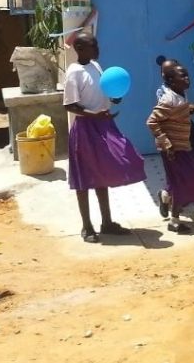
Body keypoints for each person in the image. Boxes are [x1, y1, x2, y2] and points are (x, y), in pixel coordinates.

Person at [62, 33, 146, 243]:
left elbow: (105, 91)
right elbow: (70, 105)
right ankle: (87, 226)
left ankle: (106, 222)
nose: (97, 48)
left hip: (104, 124)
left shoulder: (96, 66)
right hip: (85, 129)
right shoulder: (74, 72)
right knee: (84, 178)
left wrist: (114, 98)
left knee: (105, 172)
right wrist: (94, 115)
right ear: (79, 48)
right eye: (93, 45)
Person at [146, 62, 194, 233]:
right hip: (173, 150)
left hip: (183, 146)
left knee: (185, 180)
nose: (187, 79)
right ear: (171, 81)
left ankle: (165, 196)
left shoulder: (180, 95)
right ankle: (174, 220)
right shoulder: (168, 99)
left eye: (187, 75)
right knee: (182, 182)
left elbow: (179, 112)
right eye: (182, 76)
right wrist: (166, 143)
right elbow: (152, 121)